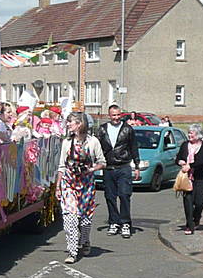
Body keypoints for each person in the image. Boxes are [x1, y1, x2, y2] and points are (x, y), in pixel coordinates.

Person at [56, 112, 106, 264]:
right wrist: (58, 186)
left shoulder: (93, 142)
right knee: (70, 217)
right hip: (69, 184)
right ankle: (72, 252)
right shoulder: (66, 142)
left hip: (86, 185)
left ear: (79, 124)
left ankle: (84, 240)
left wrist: (90, 169)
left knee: (84, 219)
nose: (68, 124)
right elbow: (62, 166)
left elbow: (102, 162)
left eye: (71, 122)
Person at [96, 104, 140, 238]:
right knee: (110, 196)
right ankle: (114, 222)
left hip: (124, 167)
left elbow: (133, 147)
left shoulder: (128, 129)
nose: (116, 118)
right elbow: (97, 147)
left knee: (124, 195)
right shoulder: (102, 130)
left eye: (118, 115)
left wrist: (137, 166)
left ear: (121, 115)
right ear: (109, 116)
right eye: (113, 115)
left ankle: (125, 223)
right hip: (109, 168)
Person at [175, 124, 203, 235]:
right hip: (187, 178)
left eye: (192, 133)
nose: (189, 135)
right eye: (189, 133)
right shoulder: (185, 145)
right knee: (188, 202)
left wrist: (190, 165)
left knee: (199, 203)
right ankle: (189, 225)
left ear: (198, 135)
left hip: (200, 178)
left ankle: (197, 218)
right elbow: (178, 158)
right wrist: (180, 161)